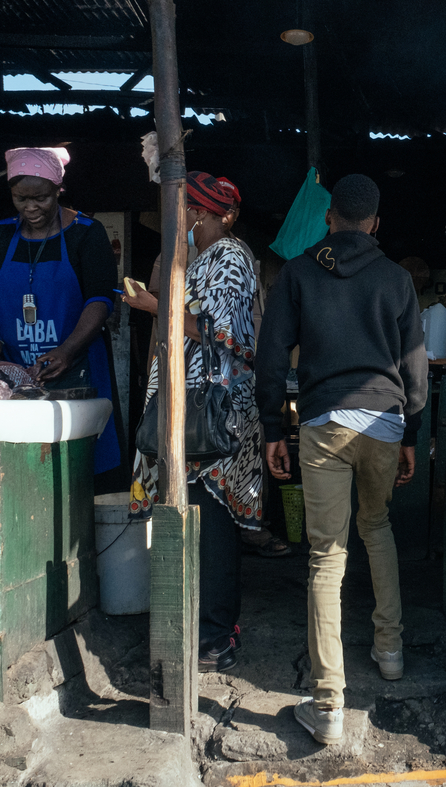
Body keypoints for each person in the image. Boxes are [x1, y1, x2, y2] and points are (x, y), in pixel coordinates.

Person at [257, 174, 428, 745]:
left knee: (326, 557)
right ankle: (390, 652)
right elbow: (415, 366)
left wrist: (270, 425)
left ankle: (327, 703)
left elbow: (272, 351)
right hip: (384, 421)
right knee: (376, 527)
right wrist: (412, 434)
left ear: (330, 216)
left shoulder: (300, 273)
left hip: (323, 421)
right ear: (375, 223)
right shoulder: (398, 279)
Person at [120, 171, 273, 672]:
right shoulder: (196, 257)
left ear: (209, 215)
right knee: (195, 523)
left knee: (215, 526)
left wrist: (152, 304)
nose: (181, 220)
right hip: (193, 407)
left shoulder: (230, 256)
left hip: (217, 411)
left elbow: (216, 331)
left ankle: (217, 638)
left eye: (188, 213)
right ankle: (199, 630)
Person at [0, 147, 120, 478]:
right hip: (14, 377)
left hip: (77, 370)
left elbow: (100, 299)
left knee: (78, 465)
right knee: (20, 466)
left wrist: (68, 349)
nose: (31, 207)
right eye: (21, 198)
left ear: (57, 190)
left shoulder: (86, 233)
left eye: (41, 198)